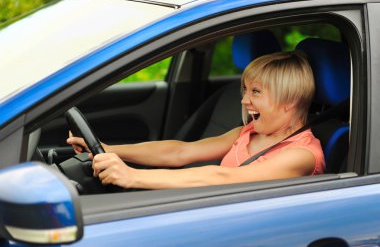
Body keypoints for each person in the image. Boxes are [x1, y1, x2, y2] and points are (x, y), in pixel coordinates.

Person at [67, 51, 325, 190]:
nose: (245, 101)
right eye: (245, 91)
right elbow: (180, 151)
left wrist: (133, 177)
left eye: (256, 92)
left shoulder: (301, 155)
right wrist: (108, 149)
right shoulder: (247, 133)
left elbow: (225, 178)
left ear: (289, 100)